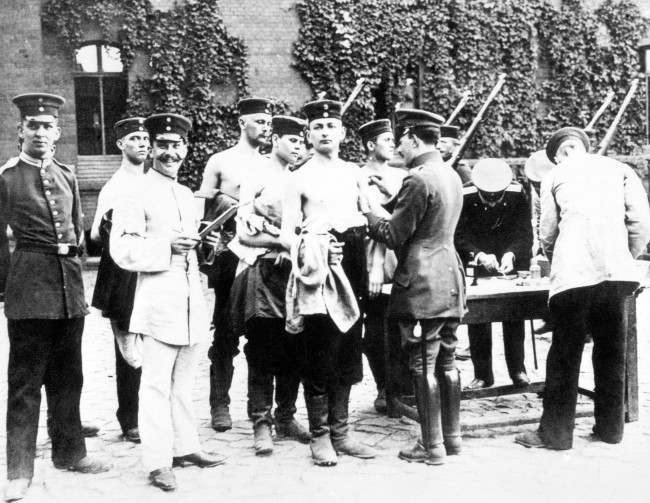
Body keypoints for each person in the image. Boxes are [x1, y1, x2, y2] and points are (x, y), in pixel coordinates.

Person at [1, 93, 111, 502]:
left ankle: (70, 453)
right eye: (34, 126)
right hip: (29, 288)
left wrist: (77, 285)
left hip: (68, 287)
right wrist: (4, 287)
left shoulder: (66, 174)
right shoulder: (7, 178)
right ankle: (18, 470)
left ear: (58, 133)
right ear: (21, 131)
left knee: (69, 377)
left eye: (48, 127)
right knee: (25, 383)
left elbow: (78, 231)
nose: (41, 133)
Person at [515, 127, 650, 450]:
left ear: (559, 154)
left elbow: (547, 231)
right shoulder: (620, 169)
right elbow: (641, 223)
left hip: (574, 275)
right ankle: (610, 429)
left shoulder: (555, 176)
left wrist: (559, 260)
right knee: (611, 350)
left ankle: (557, 435)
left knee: (565, 351)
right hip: (617, 274)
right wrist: (622, 258)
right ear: (582, 147)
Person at [111, 113, 225, 491]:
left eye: (177, 145)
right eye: (163, 145)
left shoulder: (184, 194)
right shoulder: (135, 192)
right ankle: (158, 461)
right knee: (156, 384)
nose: (170, 152)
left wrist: (207, 248)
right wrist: (167, 247)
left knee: (184, 381)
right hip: (158, 300)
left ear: (186, 149)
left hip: (191, 299)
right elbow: (122, 250)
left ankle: (185, 446)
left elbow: (192, 252)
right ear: (153, 148)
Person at [362, 108, 466, 466]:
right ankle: (451, 439)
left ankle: (431, 445)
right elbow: (426, 215)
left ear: (413, 139)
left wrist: (367, 211)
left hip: (421, 281)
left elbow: (393, 234)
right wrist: (390, 197)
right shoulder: (449, 174)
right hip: (450, 277)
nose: (397, 148)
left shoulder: (418, 179)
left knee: (423, 363)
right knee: (448, 360)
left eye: (400, 141)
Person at [281, 99, 376, 466]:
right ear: (308, 133)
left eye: (331, 126)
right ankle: (319, 436)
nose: (324, 132)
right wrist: (313, 249)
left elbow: (371, 215)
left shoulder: (354, 171)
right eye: (317, 127)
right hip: (318, 267)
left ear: (342, 133)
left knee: (350, 345)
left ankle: (342, 431)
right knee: (320, 348)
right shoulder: (298, 177)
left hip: (352, 261)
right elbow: (288, 234)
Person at [230, 115, 311, 455]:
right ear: (275, 139)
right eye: (292, 141)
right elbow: (245, 233)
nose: (299, 148)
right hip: (262, 274)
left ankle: (286, 416)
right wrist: (283, 244)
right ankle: (261, 423)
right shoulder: (255, 175)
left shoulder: (301, 178)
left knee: (293, 348)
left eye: (302, 142)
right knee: (262, 350)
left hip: (292, 276)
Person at [198, 97, 272, 431]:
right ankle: (219, 405)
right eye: (259, 121)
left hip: (259, 256)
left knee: (260, 332)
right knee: (225, 333)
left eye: (269, 122)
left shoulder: (272, 163)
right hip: (229, 256)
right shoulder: (220, 161)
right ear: (242, 123)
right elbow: (203, 208)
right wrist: (225, 205)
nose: (266, 127)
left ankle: (260, 410)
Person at [90, 117, 149, 443]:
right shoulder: (114, 186)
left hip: (150, 270)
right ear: (120, 145)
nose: (142, 143)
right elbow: (97, 234)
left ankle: (149, 412)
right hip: (122, 274)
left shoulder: (153, 181)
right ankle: (130, 419)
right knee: (129, 348)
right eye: (134, 138)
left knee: (153, 342)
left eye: (144, 138)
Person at [455, 158, 533, 390]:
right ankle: (483, 374)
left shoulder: (517, 193)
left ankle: (518, 370)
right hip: (476, 262)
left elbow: (524, 233)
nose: (491, 202)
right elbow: (458, 235)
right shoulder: (465, 195)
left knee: (514, 314)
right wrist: (479, 255)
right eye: (486, 197)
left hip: (508, 262)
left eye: (497, 197)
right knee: (478, 317)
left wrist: (511, 254)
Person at [357, 118, 409, 414]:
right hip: (369, 253)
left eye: (393, 139)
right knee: (375, 325)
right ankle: (383, 386)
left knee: (400, 322)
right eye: (387, 140)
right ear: (370, 145)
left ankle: (401, 385)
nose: (393, 144)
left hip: (399, 254)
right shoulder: (359, 176)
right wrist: (376, 264)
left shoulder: (402, 176)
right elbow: (372, 221)